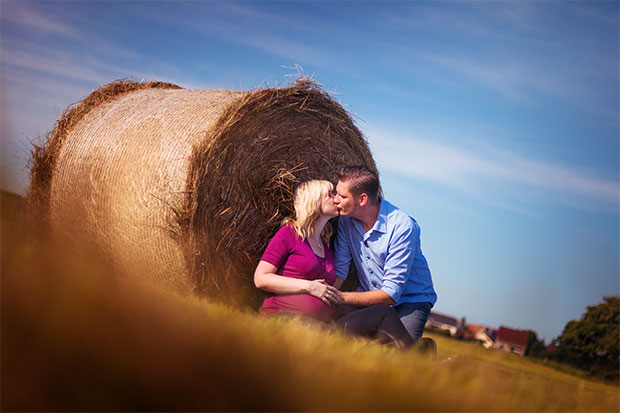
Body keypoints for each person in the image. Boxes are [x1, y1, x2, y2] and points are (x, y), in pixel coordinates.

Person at [254, 179, 416, 349]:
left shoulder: (325, 245)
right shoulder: (289, 233)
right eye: (330, 195)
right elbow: (261, 278)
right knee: (351, 340)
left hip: (324, 320)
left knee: (383, 313)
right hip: (285, 317)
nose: (337, 199)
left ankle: (419, 359)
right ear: (314, 201)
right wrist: (308, 287)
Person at [333, 166, 437, 344]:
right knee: (336, 331)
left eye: (342, 196)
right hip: (368, 294)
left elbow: (391, 293)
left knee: (394, 355)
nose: (335, 200)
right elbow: (341, 270)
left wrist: (341, 297)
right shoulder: (345, 220)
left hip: (409, 300)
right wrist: (325, 296)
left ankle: (424, 350)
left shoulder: (402, 227)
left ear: (362, 199)